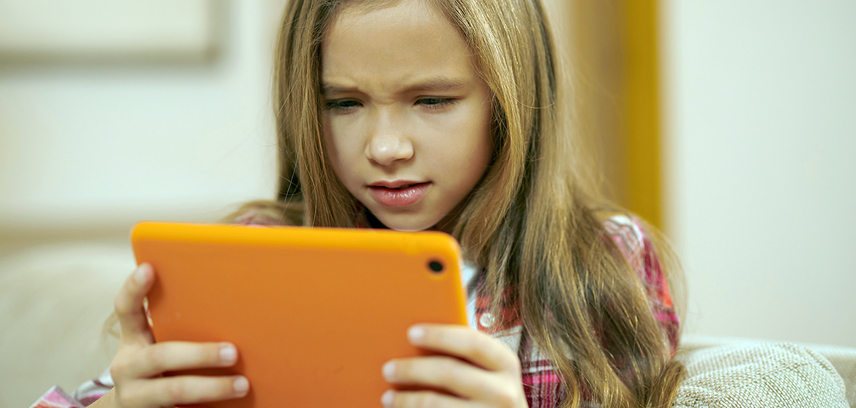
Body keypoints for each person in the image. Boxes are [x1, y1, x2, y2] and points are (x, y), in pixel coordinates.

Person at [32, 0, 684, 407]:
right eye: (344, 104)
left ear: (511, 103)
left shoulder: (599, 263)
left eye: (432, 100)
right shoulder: (261, 252)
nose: (385, 147)